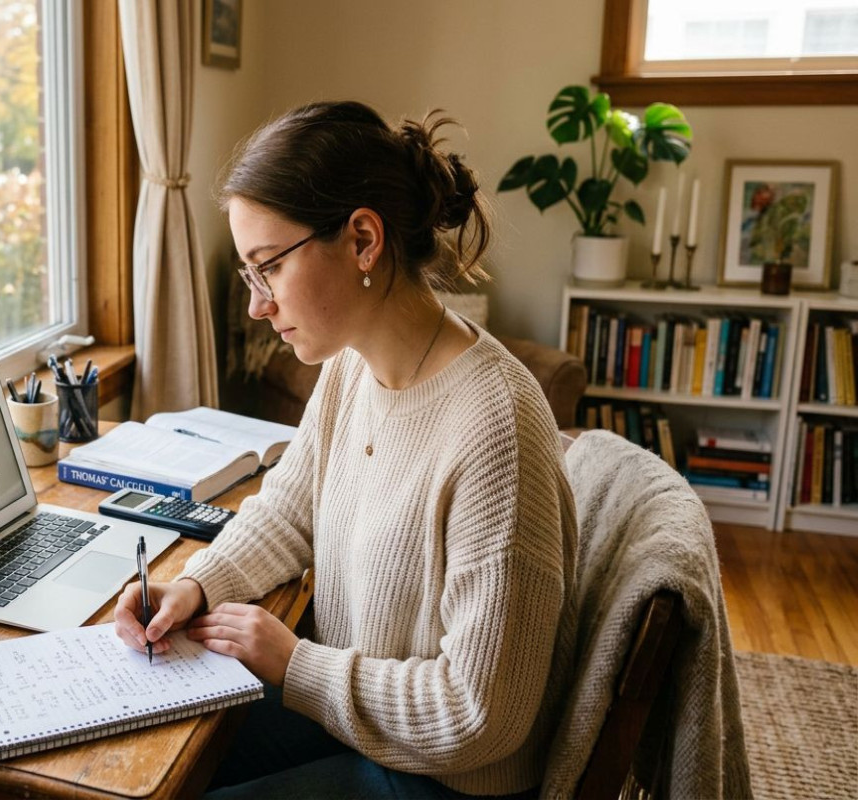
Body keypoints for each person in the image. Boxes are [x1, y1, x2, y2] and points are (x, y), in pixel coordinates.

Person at [114, 101, 578, 799]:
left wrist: (295, 665)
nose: (257, 306)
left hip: (449, 780)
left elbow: (482, 715)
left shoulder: (495, 428)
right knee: (139, 760)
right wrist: (196, 584)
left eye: (267, 267)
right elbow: (291, 511)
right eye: (251, 275)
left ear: (364, 239)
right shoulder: (352, 364)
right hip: (357, 718)